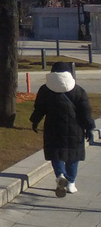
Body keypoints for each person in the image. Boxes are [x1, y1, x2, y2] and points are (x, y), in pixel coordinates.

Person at [31, 62, 95, 197]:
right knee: (73, 156)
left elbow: (39, 108)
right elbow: (85, 112)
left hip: (53, 127)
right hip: (75, 128)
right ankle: (71, 183)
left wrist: (35, 121)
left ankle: (60, 174)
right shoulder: (78, 90)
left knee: (56, 153)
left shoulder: (45, 89)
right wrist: (90, 128)